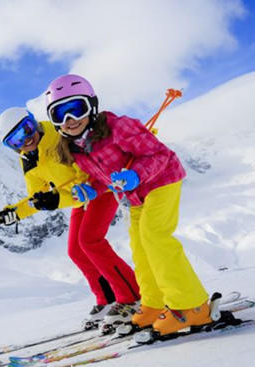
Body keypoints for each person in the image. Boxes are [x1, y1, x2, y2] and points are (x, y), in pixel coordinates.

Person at [45, 73, 212, 337]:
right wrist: (92, 188)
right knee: (140, 246)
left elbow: (159, 154)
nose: (70, 119)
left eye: (76, 108)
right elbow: (104, 177)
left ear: (92, 106)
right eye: (59, 113)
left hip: (162, 180)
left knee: (154, 236)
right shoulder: (75, 149)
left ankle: (192, 306)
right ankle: (154, 304)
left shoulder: (119, 128)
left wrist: (135, 175)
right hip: (135, 196)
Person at [0, 107, 140, 330]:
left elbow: (85, 170)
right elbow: (38, 197)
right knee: (76, 251)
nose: (26, 139)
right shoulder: (29, 160)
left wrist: (57, 199)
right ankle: (108, 299)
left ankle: (132, 297)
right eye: (16, 140)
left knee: (90, 241)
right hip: (78, 197)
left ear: (34, 122)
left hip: (99, 186)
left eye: (27, 129)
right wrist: (17, 211)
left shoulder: (58, 135)